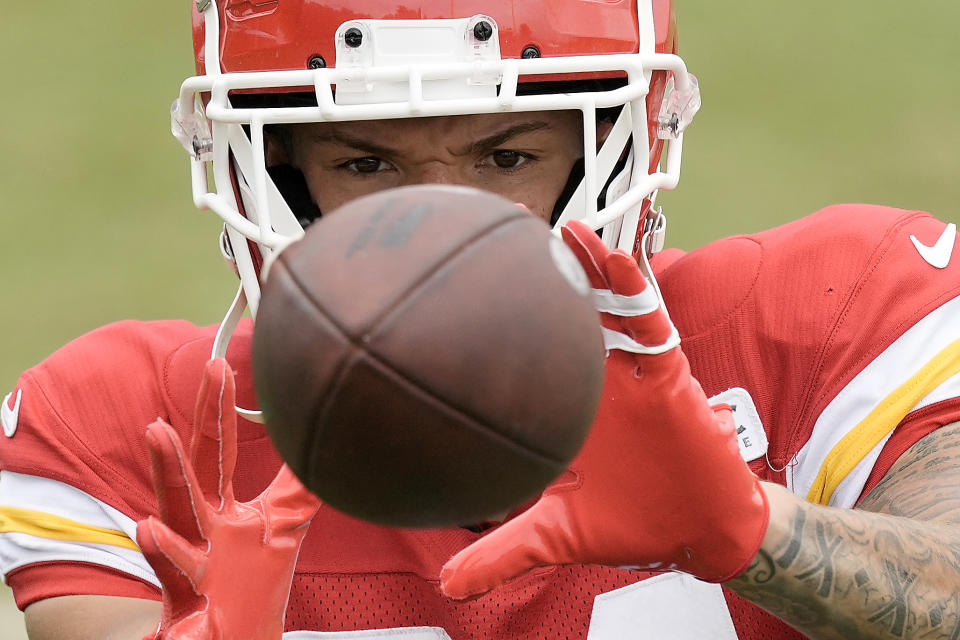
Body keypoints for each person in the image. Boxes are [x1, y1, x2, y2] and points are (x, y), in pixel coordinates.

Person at [1, 1, 958, 639]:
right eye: (366, 165)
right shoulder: (134, 429)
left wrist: (755, 531)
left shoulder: (822, 320)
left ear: (615, 157)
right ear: (275, 176)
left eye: (506, 159)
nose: (439, 224)